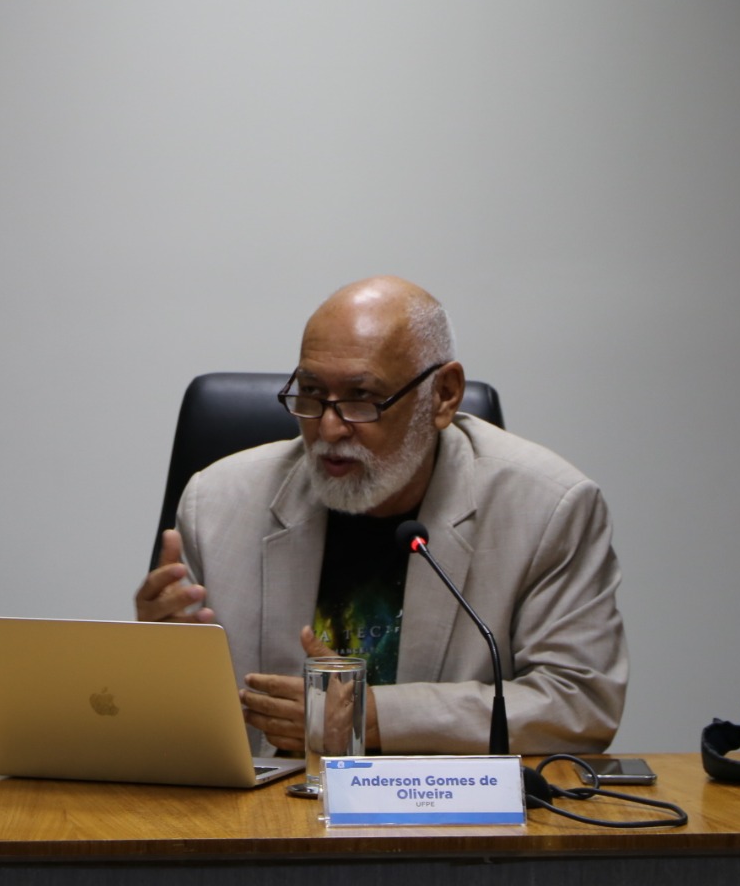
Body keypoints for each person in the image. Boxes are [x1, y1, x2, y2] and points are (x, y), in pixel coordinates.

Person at [135, 275, 626, 755]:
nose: (330, 428)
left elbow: (580, 702)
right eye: (311, 392)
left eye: (362, 398)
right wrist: (152, 658)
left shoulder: (547, 507)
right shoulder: (217, 502)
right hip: (262, 807)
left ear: (444, 395)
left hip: (441, 807)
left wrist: (373, 719)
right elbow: (167, 724)